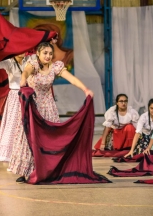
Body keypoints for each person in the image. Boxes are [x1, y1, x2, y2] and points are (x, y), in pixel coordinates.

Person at [8, 42, 93, 183]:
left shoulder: (55, 67)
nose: (48, 56)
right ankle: (27, 172)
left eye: (50, 53)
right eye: (45, 53)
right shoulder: (33, 64)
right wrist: (23, 79)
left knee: (48, 139)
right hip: (33, 106)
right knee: (29, 137)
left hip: (48, 107)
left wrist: (85, 90)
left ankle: (48, 169)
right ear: (38, 54)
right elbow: (26, 72)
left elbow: (71, 79)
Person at [0, 53, 31, 164]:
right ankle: (10, 157)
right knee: (13, 125)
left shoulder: (30, 60)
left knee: (26, 126)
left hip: (28, 96)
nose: (22, 52)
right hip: (15, 96)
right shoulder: (9, 63)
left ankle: (26, 156)